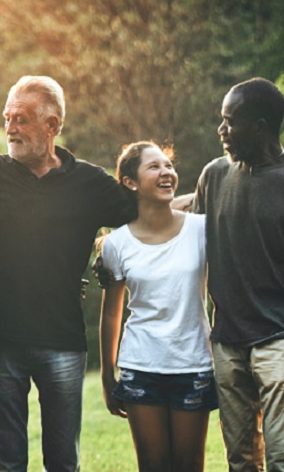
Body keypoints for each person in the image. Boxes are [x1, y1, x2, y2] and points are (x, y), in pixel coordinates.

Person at [0, 76, 133, 472]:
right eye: (7, 118)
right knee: (7, 461)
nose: (10, 129)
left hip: (63, 341)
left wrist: (203, 199)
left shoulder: (89, 182)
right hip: (0, 340)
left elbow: (147, 214)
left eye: (21, 119)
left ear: (52, 125)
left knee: (63, 461)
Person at [97, 142, 217, 472]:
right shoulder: (116, 244)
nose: (166, 172)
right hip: (141, 365)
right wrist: (108, 375)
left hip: (192, 362)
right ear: (129, 182)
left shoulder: (201, 230)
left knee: (189, 463)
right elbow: (111, 312)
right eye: (154, 167)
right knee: (152, 463)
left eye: (169, 166)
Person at [193, 77, 284, 471]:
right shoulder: (213, 176)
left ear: (260, 128)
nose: (221, 131)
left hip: (281, 341)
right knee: (240, 460)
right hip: (228, 341)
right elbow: (185, 237)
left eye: (230, 122)